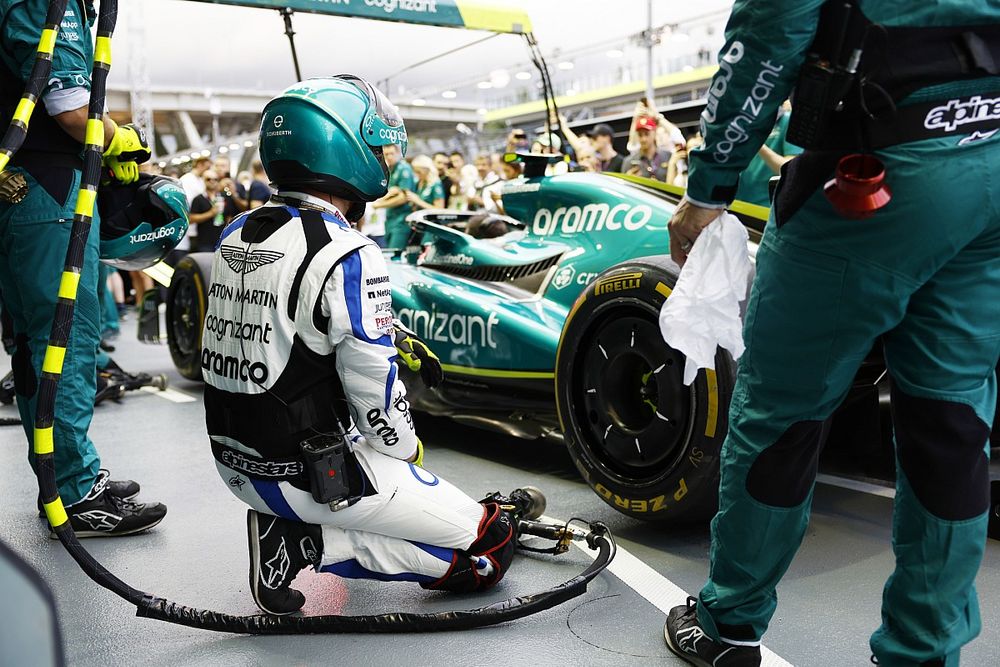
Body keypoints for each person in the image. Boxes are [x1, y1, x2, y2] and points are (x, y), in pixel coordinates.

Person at [663, 2, 1000, 666]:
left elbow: (767, 42)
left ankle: (728, 619)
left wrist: (708, 188)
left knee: (781, 408)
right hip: (989, 167)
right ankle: (924, 650)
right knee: (952, 418)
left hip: (877, 168)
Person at [203, 75, 525, 615]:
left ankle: (291, 526)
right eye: (376, 145)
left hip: (234, 463)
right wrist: (406, 451)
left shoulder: (236, 229)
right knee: (489, 546)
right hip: (309, 473)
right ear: (342, 148)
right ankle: (303, 542)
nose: (385, 156)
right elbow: (375, 391)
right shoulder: (347, 251)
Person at [0, 0, 166, 535]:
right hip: (49, 190)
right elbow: (72, 107)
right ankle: (76, 492)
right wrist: (124, 140)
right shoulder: (50, 1)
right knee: (64, 340)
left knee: (33, 342)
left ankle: (59, 481)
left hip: (18, 184)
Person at [732, 101, 803, 208]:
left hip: (767, 206)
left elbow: (791, 169)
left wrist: (757, 142)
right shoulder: (743, 123)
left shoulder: (787, 121)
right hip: (739, 204)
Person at [370, 143, 415, 250]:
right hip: (390, 218)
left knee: (394, 252)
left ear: (398, 153)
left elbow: (404, 197)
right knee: (387, 251)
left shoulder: (404, 169)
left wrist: (380, 205)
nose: (389, 157)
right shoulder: (389, 169)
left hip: (401, 220)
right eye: (386, 154)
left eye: (392, 154)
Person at [622, 116, 672, 181]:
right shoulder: (629, 162)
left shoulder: (668, 156)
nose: (643, 139)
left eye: (647, 134)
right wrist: (628, 179)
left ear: (654, 133)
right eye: (640, 135)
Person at [188, 169, 226, 252]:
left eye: (215, 179)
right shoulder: (198, 199)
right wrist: (210, 214)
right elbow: (191, 219)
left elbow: (230, 216)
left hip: (222, 240)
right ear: (203, 180)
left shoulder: (223, 197)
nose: (212, 181)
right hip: (204, 242)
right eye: (209, 179)